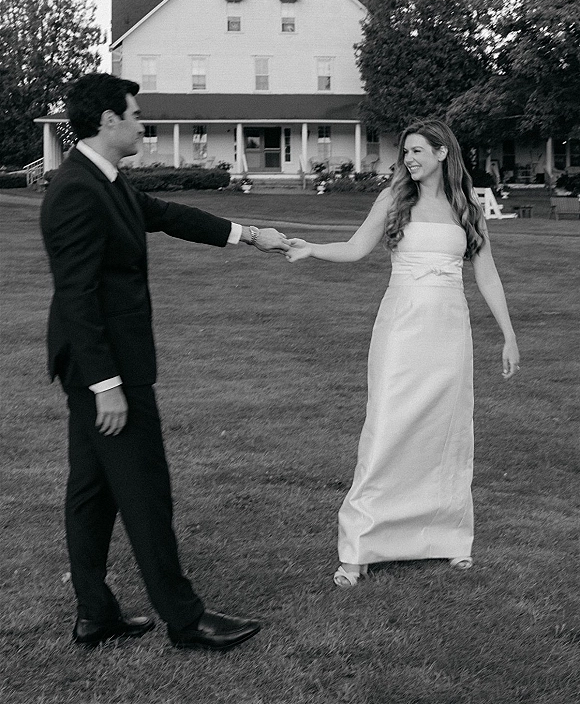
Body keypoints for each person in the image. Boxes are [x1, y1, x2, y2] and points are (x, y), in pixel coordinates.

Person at [40, 73, 289, 648]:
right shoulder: (78, 190)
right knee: (144, 488)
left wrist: (252, 235)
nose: (141, 124)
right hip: (105, 367)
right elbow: (76, 297)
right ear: (108, 120)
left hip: (99, 365)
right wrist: (106, 385)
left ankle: (95, 614)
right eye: (134, 113)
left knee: (93, 490)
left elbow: (171, 216)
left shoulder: (106, 181)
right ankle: (185, 619)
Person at [286, 119, 520, 587]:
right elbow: (356, 249)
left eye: (417, 151)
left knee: (447, 430)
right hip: (401, 328)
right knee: (388, 427)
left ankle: (448, 538)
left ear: (442, 153)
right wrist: (311, 249)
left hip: (450, 330)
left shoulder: (467, 206)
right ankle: (359, 547)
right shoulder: (394, 200)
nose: (409, 159)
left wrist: (509, 334)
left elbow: (486, 273)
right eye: (406, 152)